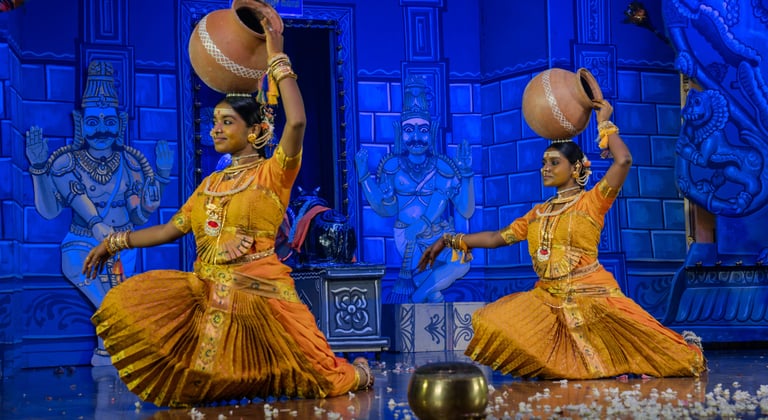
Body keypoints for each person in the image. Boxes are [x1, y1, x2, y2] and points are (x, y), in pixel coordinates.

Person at [82, 19, 373, 408]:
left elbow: (298, 120)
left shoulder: (273, 174)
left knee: (325, 380)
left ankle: (360, 371)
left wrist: (276, 54)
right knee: (190, 379)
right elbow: (171, 230)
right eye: (214, 122)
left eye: (226, 122)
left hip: (268, 298)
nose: (214, 130)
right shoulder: (209, 186)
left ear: (254, 131)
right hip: (212, 296)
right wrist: (114, 241)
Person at [418, 99, 706, 379]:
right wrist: (449, 240)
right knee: (491, 320)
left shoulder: (593, 201)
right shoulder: (538, 213)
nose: (545, 168)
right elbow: (496, 238)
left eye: (554, 162)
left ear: (576, 168)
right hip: (549, 299)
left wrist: (604, 122)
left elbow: (624, 159)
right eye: (544, 162)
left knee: (677, 359)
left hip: (595, 298)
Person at [25, 60, 173, 366]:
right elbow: (51, 211)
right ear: (80, 123)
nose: (102, 129)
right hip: (81, 246)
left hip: (121, 247)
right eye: (93, 122)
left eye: (109, 121)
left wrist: (151, 200)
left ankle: (108, 352)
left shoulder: (130, 165)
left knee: (114, 298)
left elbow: (138, 219)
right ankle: (123, 348)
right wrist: (39, 169)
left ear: (120, 122)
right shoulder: (67, 162)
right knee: (110, 300)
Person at [355, 75, 475, 303]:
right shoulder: (392, 166)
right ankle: (426, 296)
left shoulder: (443, 166)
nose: (416, 138)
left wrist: (467, 174)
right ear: (401, 132)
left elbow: (466, 210)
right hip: (407, 236)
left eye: (423, 131)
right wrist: (363, 177)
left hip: (438, 233)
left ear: (432, 133)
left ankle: (418, 297)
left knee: (461, 262)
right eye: (409, 130)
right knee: (427, 278)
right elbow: (385, 211)